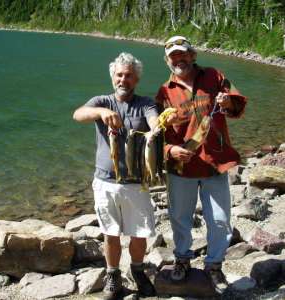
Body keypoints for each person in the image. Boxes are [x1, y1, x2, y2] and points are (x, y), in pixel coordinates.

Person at [156, 36, 247, 294]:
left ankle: (214, 266)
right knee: (179, 219)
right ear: (167, 60)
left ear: (192, 55)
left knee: (219, 219)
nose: (178, 59)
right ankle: (182, 259)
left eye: (182, 54)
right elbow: (155, 133)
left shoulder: (215, 76)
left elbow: (237, 104)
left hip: (214, 162)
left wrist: (228, 103)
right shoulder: (165, 92)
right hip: (181, 169)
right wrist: (170, 150)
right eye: (173, 56)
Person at [73, 52, 157, 299]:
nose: (123, 80)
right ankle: (112, 275)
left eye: (129, 75)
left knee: (139, 233)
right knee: (110, 233)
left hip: (136, 183)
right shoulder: (102, 101)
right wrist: (99, 112)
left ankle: (138, 271)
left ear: (136, 79)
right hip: (105, 182)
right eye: (119, 75)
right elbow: (77, 114)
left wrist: (155, 129)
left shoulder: (146, 103)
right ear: (113, 77)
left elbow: (154, 120)